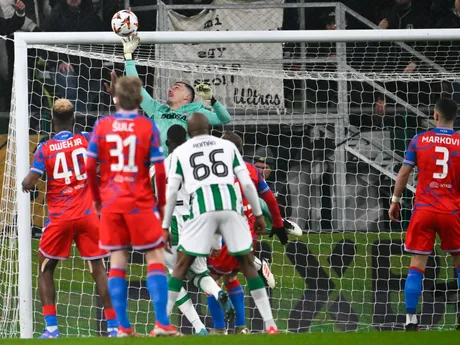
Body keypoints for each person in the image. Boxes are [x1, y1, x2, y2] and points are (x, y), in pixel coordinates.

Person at [162, 112, 279, 335]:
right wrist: (259, 214)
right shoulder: (227, 148)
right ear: (208, 128)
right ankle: (270, 324)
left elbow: (170, 191)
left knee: (181, 270)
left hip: (203, 213)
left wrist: (165, 225)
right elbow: (246, 183)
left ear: (190, 132)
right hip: (231, 210)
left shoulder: (182, 154)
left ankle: (164, 324)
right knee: (242, 268)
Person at [86, 76, 178, 337]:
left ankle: (124, 327)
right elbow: (160, 172)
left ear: (115, 97)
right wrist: (161, 211)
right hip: (140, 201)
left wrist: (96, 198)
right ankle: (161, 322)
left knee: (117, 260)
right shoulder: (146, 127)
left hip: (112, 202)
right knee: (154, 257)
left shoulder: (103, 125)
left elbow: (90, 166)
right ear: (140, 100)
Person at [21, 99, 117, 339]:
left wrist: (27, 183)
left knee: (45, 268)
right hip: (87, 215)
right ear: (74, 120)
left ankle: (52, 329)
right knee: (99, 269)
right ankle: (115, 328)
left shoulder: (44, 148)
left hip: (59, 218)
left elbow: (30, 181)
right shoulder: (86, 138)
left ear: (51, 121)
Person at [150, 125, 233, 335]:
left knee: (173, 275)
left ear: (168, 145)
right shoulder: (196, 169)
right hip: (195, 228)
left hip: (168, 231)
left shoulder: (155, 169)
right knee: (200, 273)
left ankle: (197, 327)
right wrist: (215, 241)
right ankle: (217, 292)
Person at [389, 98, 460, 331]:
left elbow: (404, 173)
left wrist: (395, 200)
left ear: (435, 115)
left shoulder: (419, 140)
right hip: (451, 211)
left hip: (424, 209)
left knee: (416, 265)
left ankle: (411, 320)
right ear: (455, 117)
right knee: (459, 263)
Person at [206, 131, 287, 334]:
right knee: (231, 278)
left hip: (224, 234)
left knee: (209, 280)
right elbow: (269, 199)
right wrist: (277, 223)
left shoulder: (213, 170)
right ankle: (242, 327)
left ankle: (219, 328)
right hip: (248, 234)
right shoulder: (250, 170)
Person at [104, 33, 232, 155]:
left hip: (182, 165)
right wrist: (128, 55)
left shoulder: (196, 112)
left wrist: (212, 100)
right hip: (158, 165)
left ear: (187, 96)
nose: (171, 89)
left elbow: (225, 119)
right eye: (171, 87)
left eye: (177, 87)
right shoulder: (156, 109)